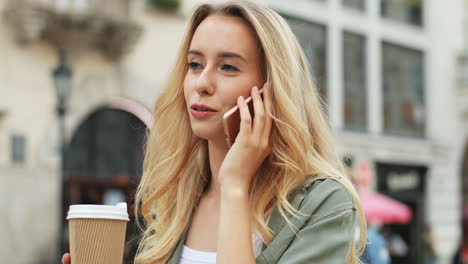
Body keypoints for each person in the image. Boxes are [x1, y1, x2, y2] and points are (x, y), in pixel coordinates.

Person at [62, 1, 367, 263]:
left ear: (273, 90)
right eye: (194, 64)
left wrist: (235, 185)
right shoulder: (178, 197)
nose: (201, 83)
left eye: (228, 67)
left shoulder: (323, 204)